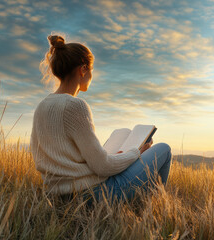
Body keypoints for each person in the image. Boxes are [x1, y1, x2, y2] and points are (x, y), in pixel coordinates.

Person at [30, 34, 172, 204]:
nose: (91, 75)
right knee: (164, 149)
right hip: (94, 195)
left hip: (59, 197)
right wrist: (135, 153)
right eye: (91, 70)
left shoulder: (42, 106)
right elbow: (102, 167)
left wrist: (116, 158)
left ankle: (143, 200)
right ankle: (150, 205)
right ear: (83, 69)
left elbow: (56, 156)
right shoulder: (75, 106)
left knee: (123, 134)